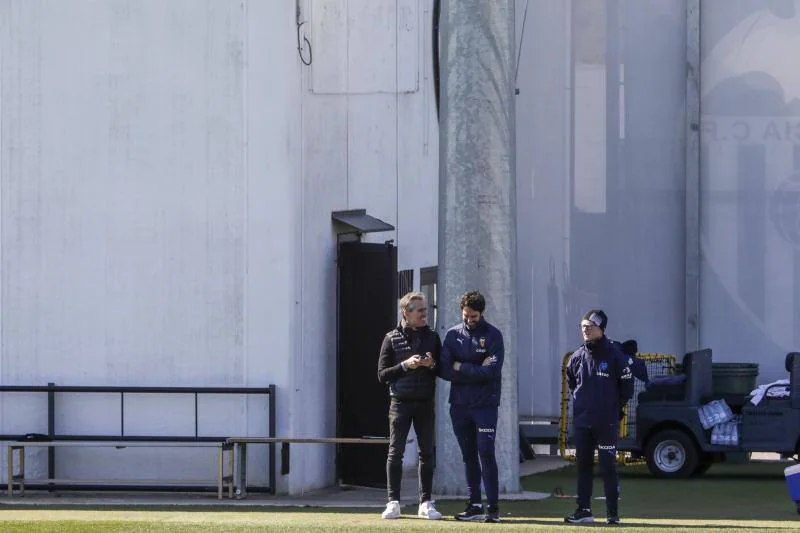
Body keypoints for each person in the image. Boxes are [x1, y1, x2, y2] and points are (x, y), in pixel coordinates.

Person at [564, 309, 634, 526]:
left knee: (607, 466)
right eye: (583, 326)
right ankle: (583, 510)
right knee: (583, 465)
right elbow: (572, 383)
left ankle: (612, 514)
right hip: (583, 422)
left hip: (606, 421)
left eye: (590, 326)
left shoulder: (615, 355)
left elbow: (627, 388)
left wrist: (613, 407)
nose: (585, 330)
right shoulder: (576, 357)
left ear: (601, 329)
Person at [440, 290, 504, 523]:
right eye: (466, 316)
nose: (469, 320)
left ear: (481, 313)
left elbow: (492, 371)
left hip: (485, 406)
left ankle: (493, 509)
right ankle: (474, 505)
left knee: (486, 453)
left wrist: (461, 367)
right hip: (459, 406)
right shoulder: (452, 335)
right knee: (468, 456)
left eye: (473, 316)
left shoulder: (494, 336)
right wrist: (474, 367)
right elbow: (444, 370)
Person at [377, 292, 442, 520]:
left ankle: (426, 502)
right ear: (406, 312)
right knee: (395, 452)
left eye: (426, 310)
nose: (425, 314)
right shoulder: (391, 337)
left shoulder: (433, 337)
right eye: (420, 310)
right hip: (400, 402)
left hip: (425, 402)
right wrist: (405, 365)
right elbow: (382, 374)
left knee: (427, 453)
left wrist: (431, 363)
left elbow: (442, 369)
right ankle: (393, 502)